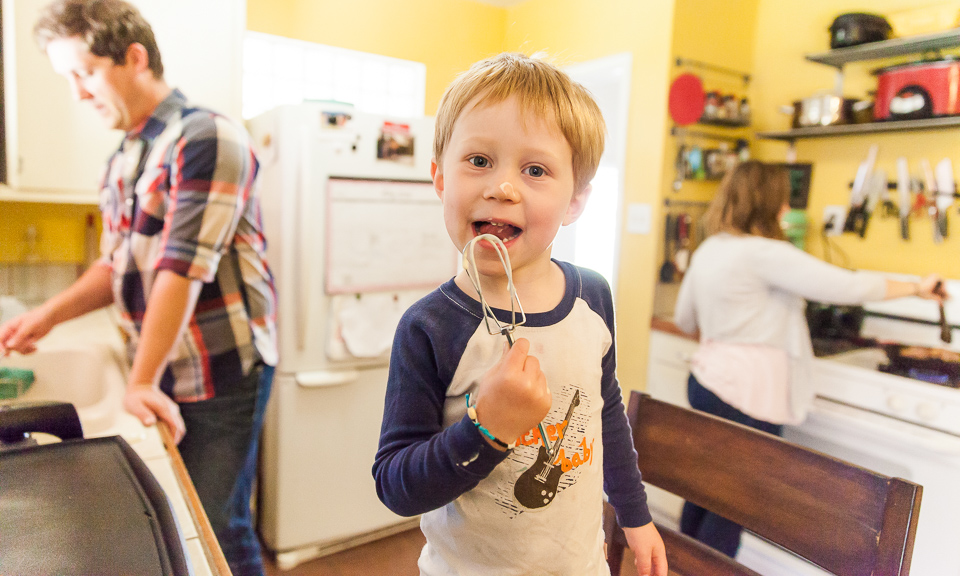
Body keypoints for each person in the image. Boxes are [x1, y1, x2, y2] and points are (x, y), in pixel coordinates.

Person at [0, 0, 278, 576]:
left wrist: (140, 379)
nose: (77, 92)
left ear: (133, 57)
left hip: (219, 367)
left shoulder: (207, 137)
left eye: (85, 73)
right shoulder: (124, 157)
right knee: (180, 517)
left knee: (216, 522)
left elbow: (182, 267)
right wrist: (44, 317)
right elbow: (119, 264)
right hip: (162, 362)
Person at [372, 52, 668, 576]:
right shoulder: (429, 328)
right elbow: (396, 484)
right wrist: (487, 428)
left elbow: (605, 412)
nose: (502, 187)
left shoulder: (592, 297)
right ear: (440, 178)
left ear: (575, 200)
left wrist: (635, 514)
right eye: (479, 161)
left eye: (535, 170)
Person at [673, 160, 944, 558]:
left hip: (707, 381)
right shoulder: (765, 253)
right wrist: (917, 287)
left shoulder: (712, 248)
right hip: (748, 392)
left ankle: (681, 564)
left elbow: (684, 318)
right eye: (782, 203)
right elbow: (844, 286)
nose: (786, 211)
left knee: (704, 489)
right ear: (766, 205)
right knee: (734, 503)